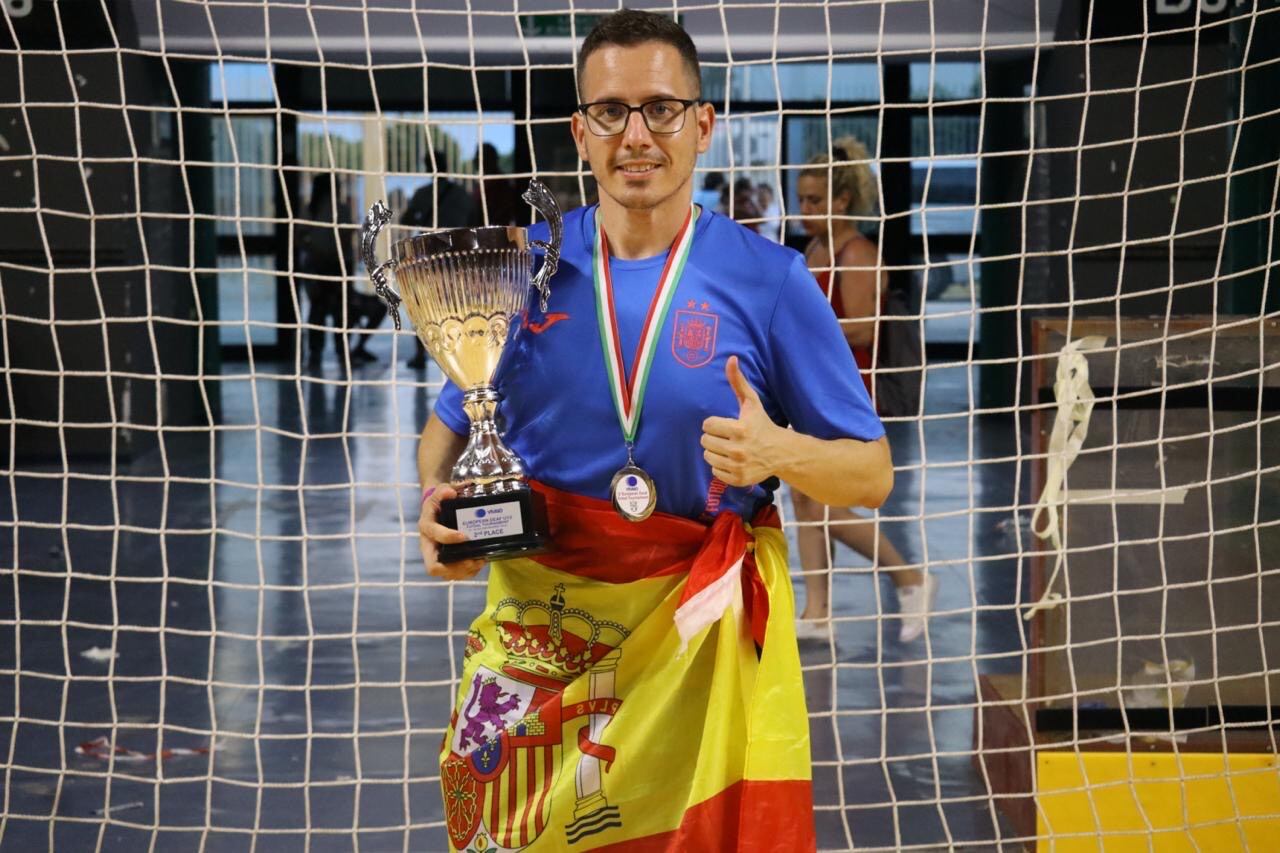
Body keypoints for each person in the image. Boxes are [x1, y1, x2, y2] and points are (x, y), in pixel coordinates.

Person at [416, 11, 891, 851]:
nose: (636, 135)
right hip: (541, 646)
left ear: (703, 125)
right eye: (610, 111)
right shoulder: (524, 268)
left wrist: (777, 451)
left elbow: (872, 471)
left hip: (693, 657)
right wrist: (437, 505)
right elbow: (448, 427)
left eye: (661, 109)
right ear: (580, 131)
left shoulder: (770, 280)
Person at [792, 137, 936, 643]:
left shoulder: (856, 254)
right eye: (801, 199)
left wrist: (800, 331)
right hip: (813, 388)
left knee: (821, 502)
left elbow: (865, 329)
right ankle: (817, 613)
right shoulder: (815, 249)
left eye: (814, 200)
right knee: (803, 498)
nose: (805, 210)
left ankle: (910, 578)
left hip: (849, 393)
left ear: (842, 200)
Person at [399, 175, 478, 369]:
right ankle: (461, 353)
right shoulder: (461, 194)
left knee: (423, 306)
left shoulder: (422, 194)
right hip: (457, 255)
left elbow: (406, 219)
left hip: (429, 254)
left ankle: (420, 355)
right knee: (458, 304)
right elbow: (475, 221)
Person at [298, 174, 353, 369]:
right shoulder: (339, 209)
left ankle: (317, 353)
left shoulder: (310, 210)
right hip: (332, 265)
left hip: (321, 265)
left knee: (319, 311)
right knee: (336, 312)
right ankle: (340, 351)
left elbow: (299, 237)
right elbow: (346, 239)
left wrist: (314, 249)